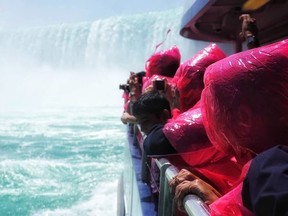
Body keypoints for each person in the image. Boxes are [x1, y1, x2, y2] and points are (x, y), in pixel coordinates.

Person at [170, 39, 288, 215]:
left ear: (243, 118)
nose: (211, 116)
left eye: (218, 107)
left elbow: (155, 143)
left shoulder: (271, 168)